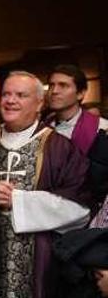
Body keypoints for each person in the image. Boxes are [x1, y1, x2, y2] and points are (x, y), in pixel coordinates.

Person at [0, 71, 91, 298]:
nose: (10, 100)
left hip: (41, 268)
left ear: (40, 103)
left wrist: (18, 201)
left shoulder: (58, 147)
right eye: (6, 94)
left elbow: (80, 208)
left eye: (21, 95)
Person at [45, 64, 108, 211]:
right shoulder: (43, 129)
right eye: (51, 85)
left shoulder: (102, 128)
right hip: (49, 207)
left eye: (63, 85)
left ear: (80, 93)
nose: (54, 91)